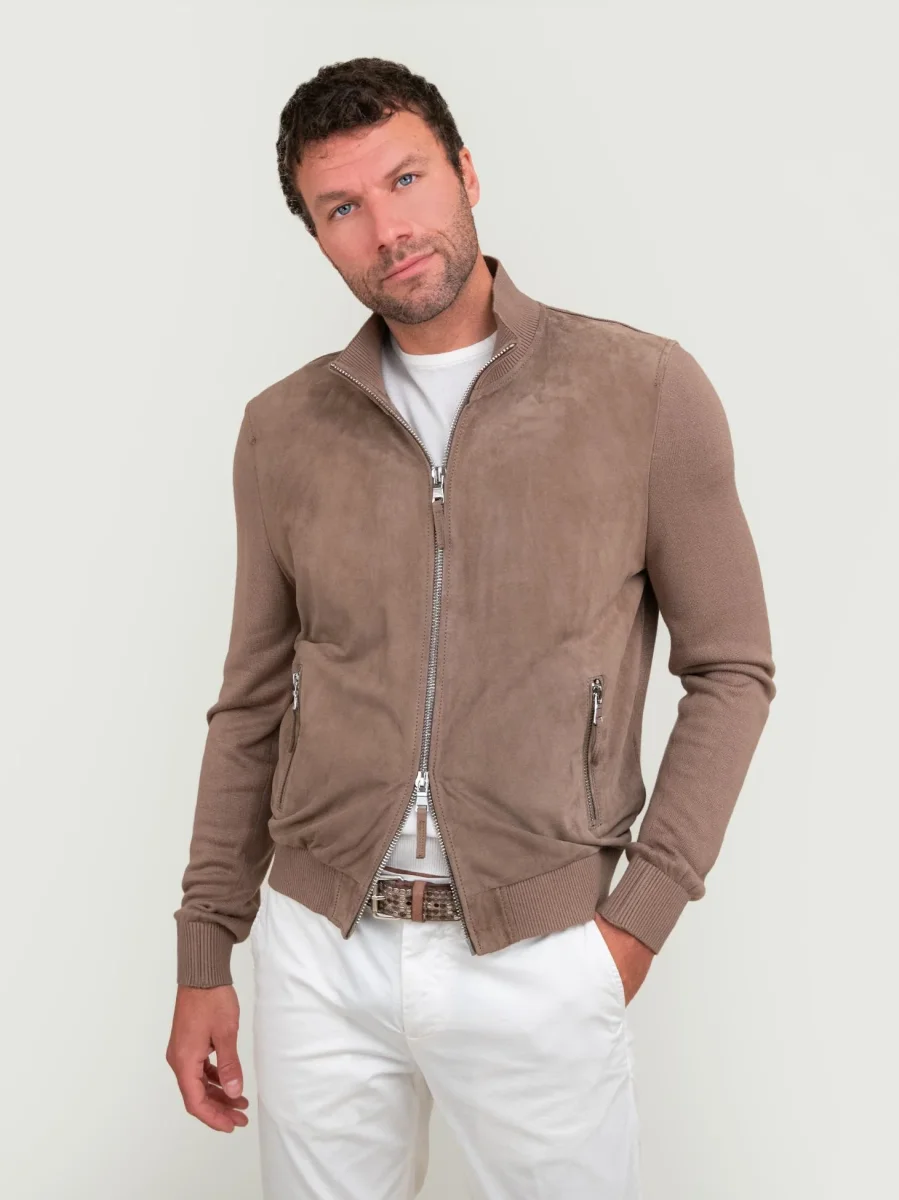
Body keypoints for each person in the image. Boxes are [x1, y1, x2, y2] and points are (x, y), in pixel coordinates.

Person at [166, 56, 776, 1200]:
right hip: (318, 951)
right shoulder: (282, 431)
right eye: (342, 207)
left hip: (539, 954)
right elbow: (249, 701)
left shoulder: (641, 392)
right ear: (317, 237)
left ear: (465, 172)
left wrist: (632, 929)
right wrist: (208, 947)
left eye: (406, 179)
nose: (386, 229)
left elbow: (732, 668)